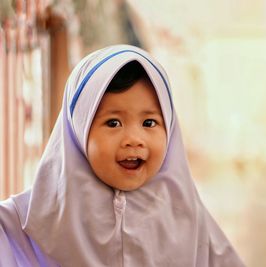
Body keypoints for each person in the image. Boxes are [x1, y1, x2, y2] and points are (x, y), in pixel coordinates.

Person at [0, 45, 245, 266]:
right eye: (113, 123)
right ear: (79, 129)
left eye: (149, 122)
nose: (133, 139)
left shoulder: (188, 216)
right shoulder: (33, 218)